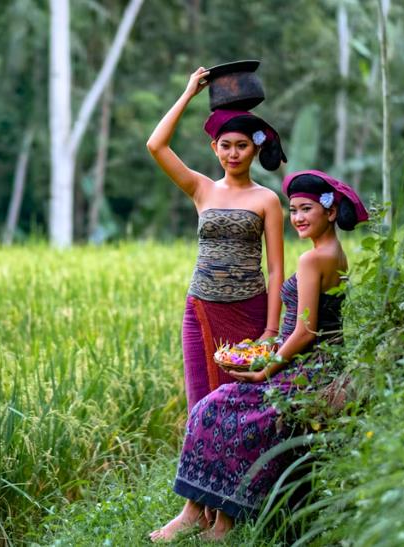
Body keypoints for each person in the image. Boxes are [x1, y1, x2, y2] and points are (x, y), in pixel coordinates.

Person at [150, 170, 369, 542]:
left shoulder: (312, 260)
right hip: (322, 362)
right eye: (294, 210)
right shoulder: (335, 254)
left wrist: (266, 368)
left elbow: (306, 331)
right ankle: (212, 518)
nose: (298, 217)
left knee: (212, 408)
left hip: (308, 367)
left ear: (330, 212)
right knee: (222, 406)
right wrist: (269, 349)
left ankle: (210, 520)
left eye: (307, 209)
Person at [146, 67, 288, 415]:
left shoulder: (267, 199)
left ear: (255, 148)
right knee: (201, 406)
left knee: (247, 407)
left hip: (250, 312)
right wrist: (188, 93)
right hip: (201, 310)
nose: (233, 154)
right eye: (226, 146)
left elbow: (275, 269)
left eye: (242, 146)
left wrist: (271, 329)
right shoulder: (201, 188)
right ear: (214, 148)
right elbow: (156, 145)